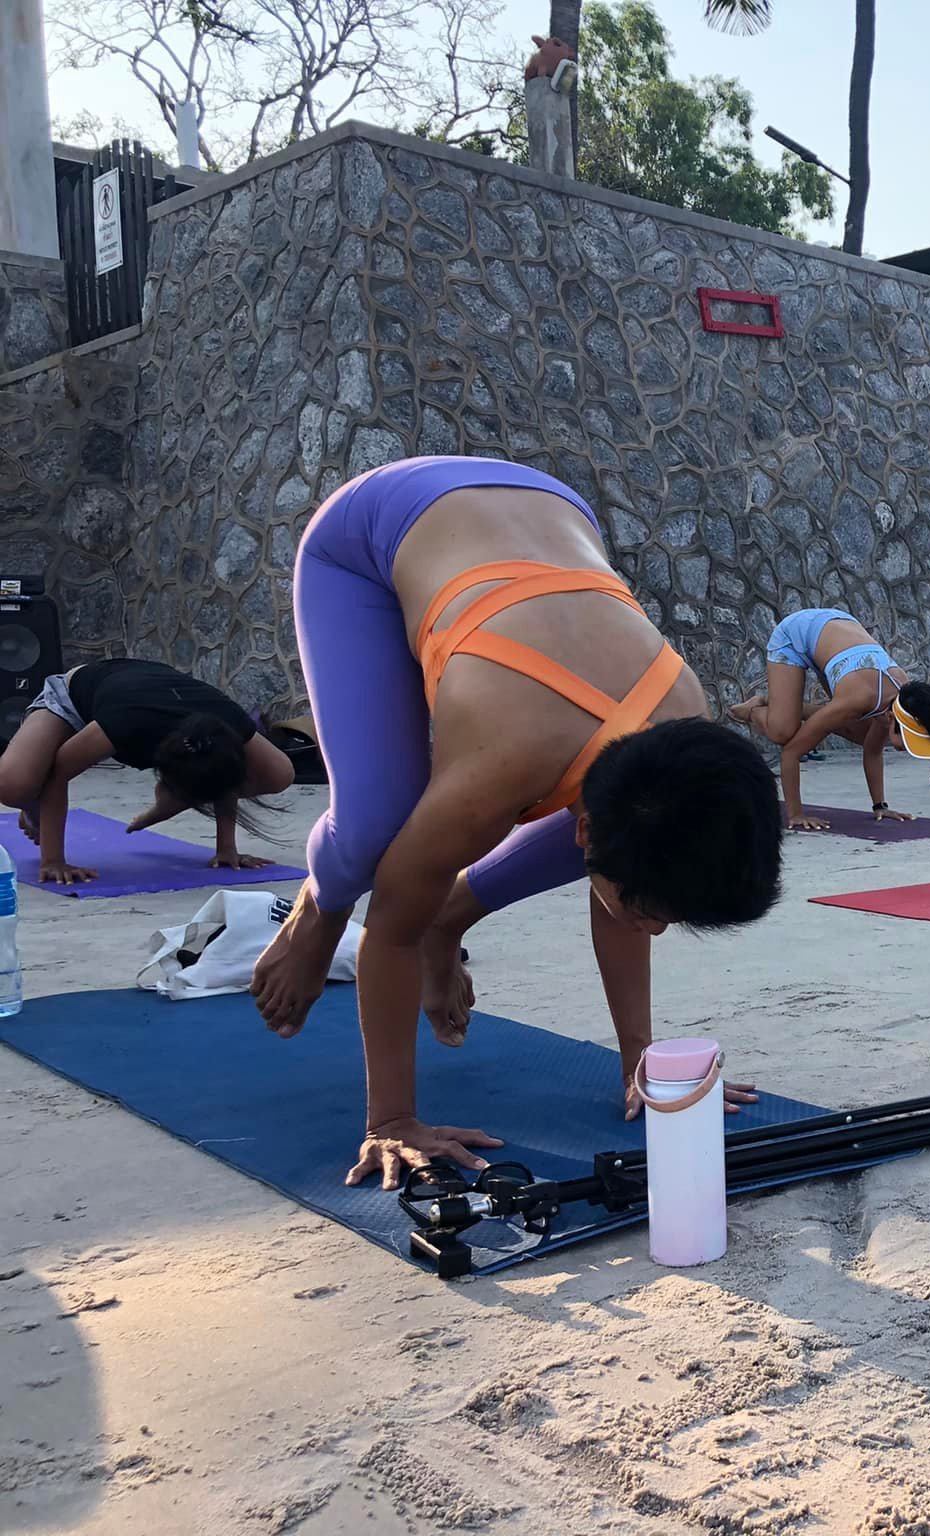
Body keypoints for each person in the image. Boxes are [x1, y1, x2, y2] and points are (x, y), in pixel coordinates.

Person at [248, 456, 785, 1188]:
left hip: (548, 514)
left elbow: (627, 876)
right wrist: (392, 1122)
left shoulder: (681, 730)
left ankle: (454, 919)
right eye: (652, 915)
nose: (653, 930)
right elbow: (392, 926)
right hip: (373, 534)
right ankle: (318, 906)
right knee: (379, 831)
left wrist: (645, 1069)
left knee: (626, 856)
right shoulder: (495, 767)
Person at [0, 658, 295, 884]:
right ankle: (33, 808)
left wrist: (226, 849)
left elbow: (225, 774)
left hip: (152, 691)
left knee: (278, 772)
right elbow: (57, 773)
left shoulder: (226, 723)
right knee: (16, 784)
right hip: (75, 695)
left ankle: (163, 808)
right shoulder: (123, 724)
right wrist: (53, 860)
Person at [730, 609, 930, 830]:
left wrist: (880, 806)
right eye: (907, 739)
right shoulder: (859, 699)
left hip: (837, 634)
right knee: (783, 732)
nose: (906, 749)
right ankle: (754, 708)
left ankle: (782, 705)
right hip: (796, 633)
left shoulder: (901, 698)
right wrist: (796, 814)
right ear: (892, 717)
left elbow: (872, 751)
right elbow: (791, 753)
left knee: (860, 734)